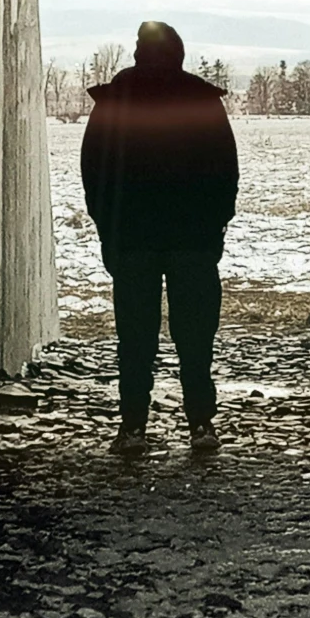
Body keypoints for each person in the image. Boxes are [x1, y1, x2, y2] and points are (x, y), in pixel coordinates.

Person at [80, 22, 239, 459]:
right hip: (193, 238)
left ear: (137, 52)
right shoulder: (201, 100)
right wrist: (215, 227)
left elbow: (94, 172)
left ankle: (133, 426)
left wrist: (107, 229)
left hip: (133, 237)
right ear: (179, 53)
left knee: (134, 337)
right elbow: (226, 171)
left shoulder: (116, 99)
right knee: (196, 335)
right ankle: (201, 423)